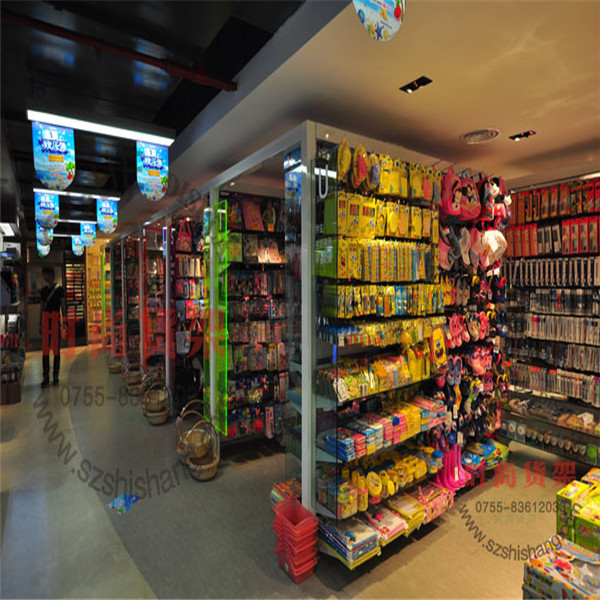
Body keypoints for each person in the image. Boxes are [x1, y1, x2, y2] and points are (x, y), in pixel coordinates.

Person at [39, 266, 66, 387]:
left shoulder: (60, 289)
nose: (45, 277)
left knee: (56, 349)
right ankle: (45, 375)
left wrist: (64, 321)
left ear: (52, 275)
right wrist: (40, 323)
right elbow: (41, 307)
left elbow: (63, 306)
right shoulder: (43, 290)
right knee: (45, 350)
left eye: (47, 275)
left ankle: (56, 375)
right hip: (46, 320)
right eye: (44, 275)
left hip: (55, 319)